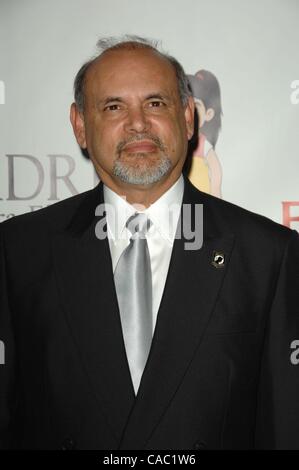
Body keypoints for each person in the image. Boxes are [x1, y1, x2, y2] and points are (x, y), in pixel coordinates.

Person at [0, 35, 298, 450]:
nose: (138, 123)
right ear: (80, 125)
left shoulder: (269, 256)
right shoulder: (17, 252)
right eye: (114, 106)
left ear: (189, 118)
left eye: (156, 103)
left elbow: (284, 426)